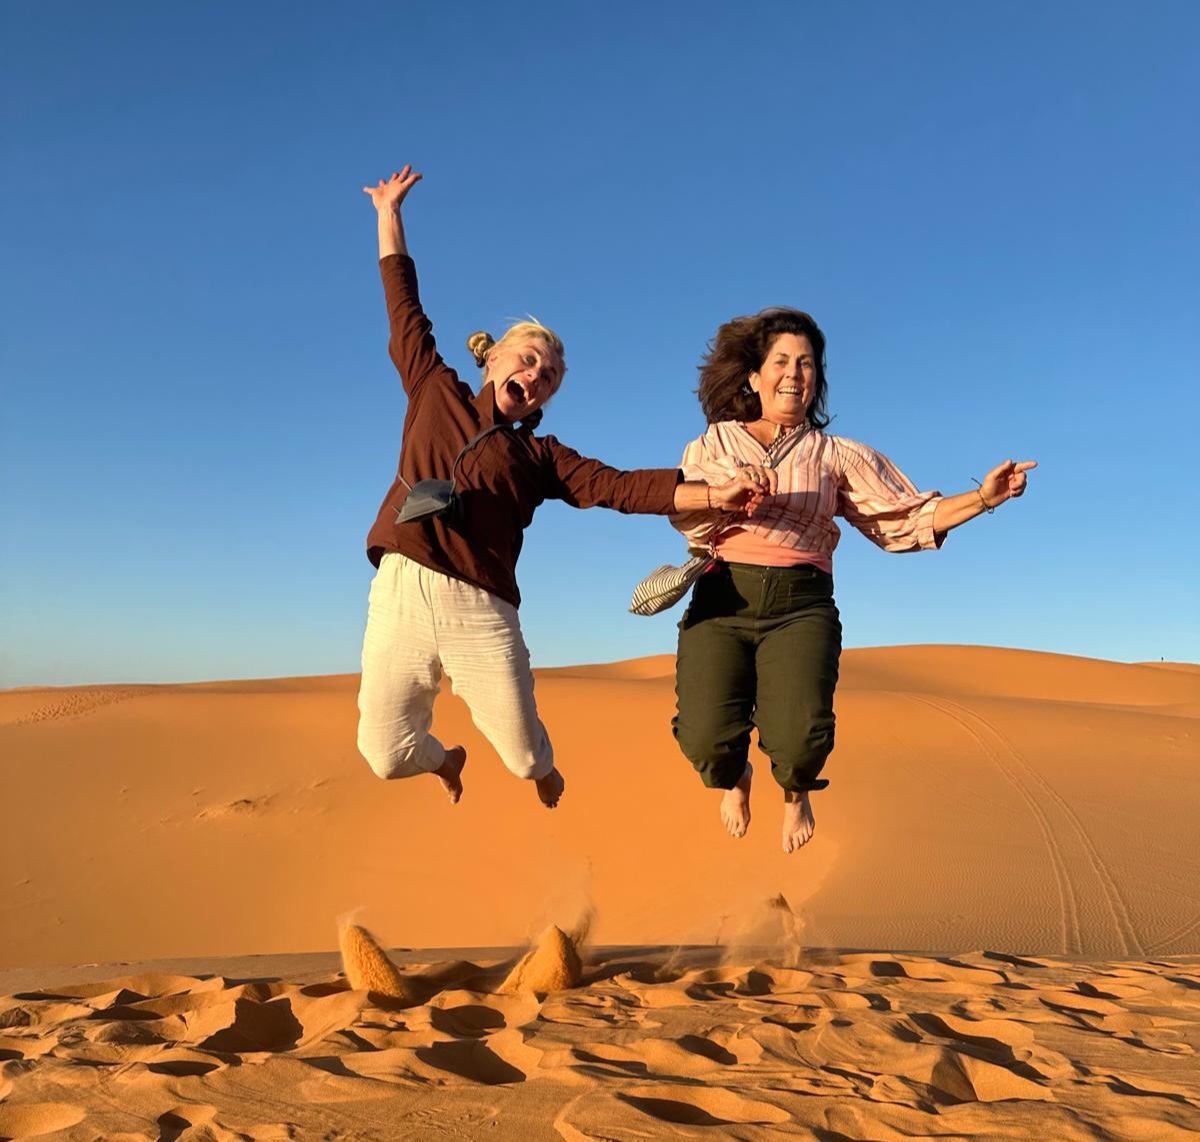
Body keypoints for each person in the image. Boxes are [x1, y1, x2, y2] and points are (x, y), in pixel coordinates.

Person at [356, 166, 770, 811]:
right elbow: (402, 307)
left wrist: (714, 494)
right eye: (528, 360)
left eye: (548, 376)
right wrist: (389, 213)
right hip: (401, 587)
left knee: (525, 758)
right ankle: (446, 760)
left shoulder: (541, 455)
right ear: (494, 358)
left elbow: (619, 487)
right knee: (385, 755)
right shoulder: (433, 388)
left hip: (480, 603)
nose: (535, 376)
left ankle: (542, 768)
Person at [669, 307, 1036, 853]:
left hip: (800, 605)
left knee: (800, 741)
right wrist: (727, 493)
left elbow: (903, 517)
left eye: (807, 363)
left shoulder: (835, 454)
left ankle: (796, 791)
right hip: (723, 595)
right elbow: (686, 514)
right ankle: (737, 778)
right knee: (705, 741)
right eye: (781, 361)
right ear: (754, 376)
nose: (794, 373)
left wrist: (984, 498)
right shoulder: (714, 445)